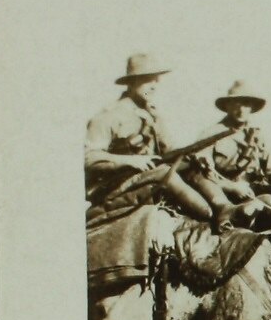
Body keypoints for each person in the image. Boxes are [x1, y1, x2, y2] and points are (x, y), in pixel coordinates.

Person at [83, 53, 214, 220]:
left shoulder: (152, 115)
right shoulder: (109, 116)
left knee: (193, 167)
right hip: (116, 186)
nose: (153, 86)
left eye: (156, 80)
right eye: (147, 80)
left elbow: (169, 149)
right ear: (131, 83)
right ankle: (208, 216)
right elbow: (88, 157)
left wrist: (193, 156)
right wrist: (131, 161)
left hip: (147, 177)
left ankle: (225, 211)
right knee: (165, 173)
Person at [200, 80, 271, 225]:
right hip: (226, 199)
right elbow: (202, 174)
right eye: (235, 103)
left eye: (246, 103)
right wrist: (232, 187)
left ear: (252, 107)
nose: (241, 109)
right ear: (227, 105)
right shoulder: (211, 134)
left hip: (255, 193)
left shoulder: (257, 136)